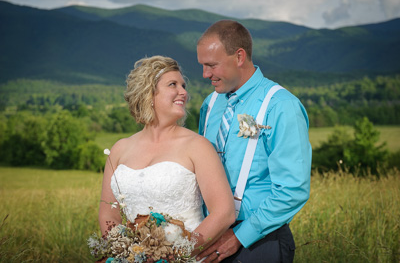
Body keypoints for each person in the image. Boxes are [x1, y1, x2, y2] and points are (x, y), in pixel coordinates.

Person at [196, 20, 312, 262]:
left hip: (259, 242)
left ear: (239, 57)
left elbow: (293, 189)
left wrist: (240, 236)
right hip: (209, 238)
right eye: (203, 66)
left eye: (211, 65)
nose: (205, 74)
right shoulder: (210, 104)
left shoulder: (281, 106)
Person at [98, 55, 236, 259]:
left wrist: (178, 254)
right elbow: (108, 213)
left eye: (183, 85)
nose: (183, 92)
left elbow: (224, 212)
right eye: (173, 84)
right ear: (148, 93)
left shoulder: (198, 146)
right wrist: (124, 253)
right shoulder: (120, 149)